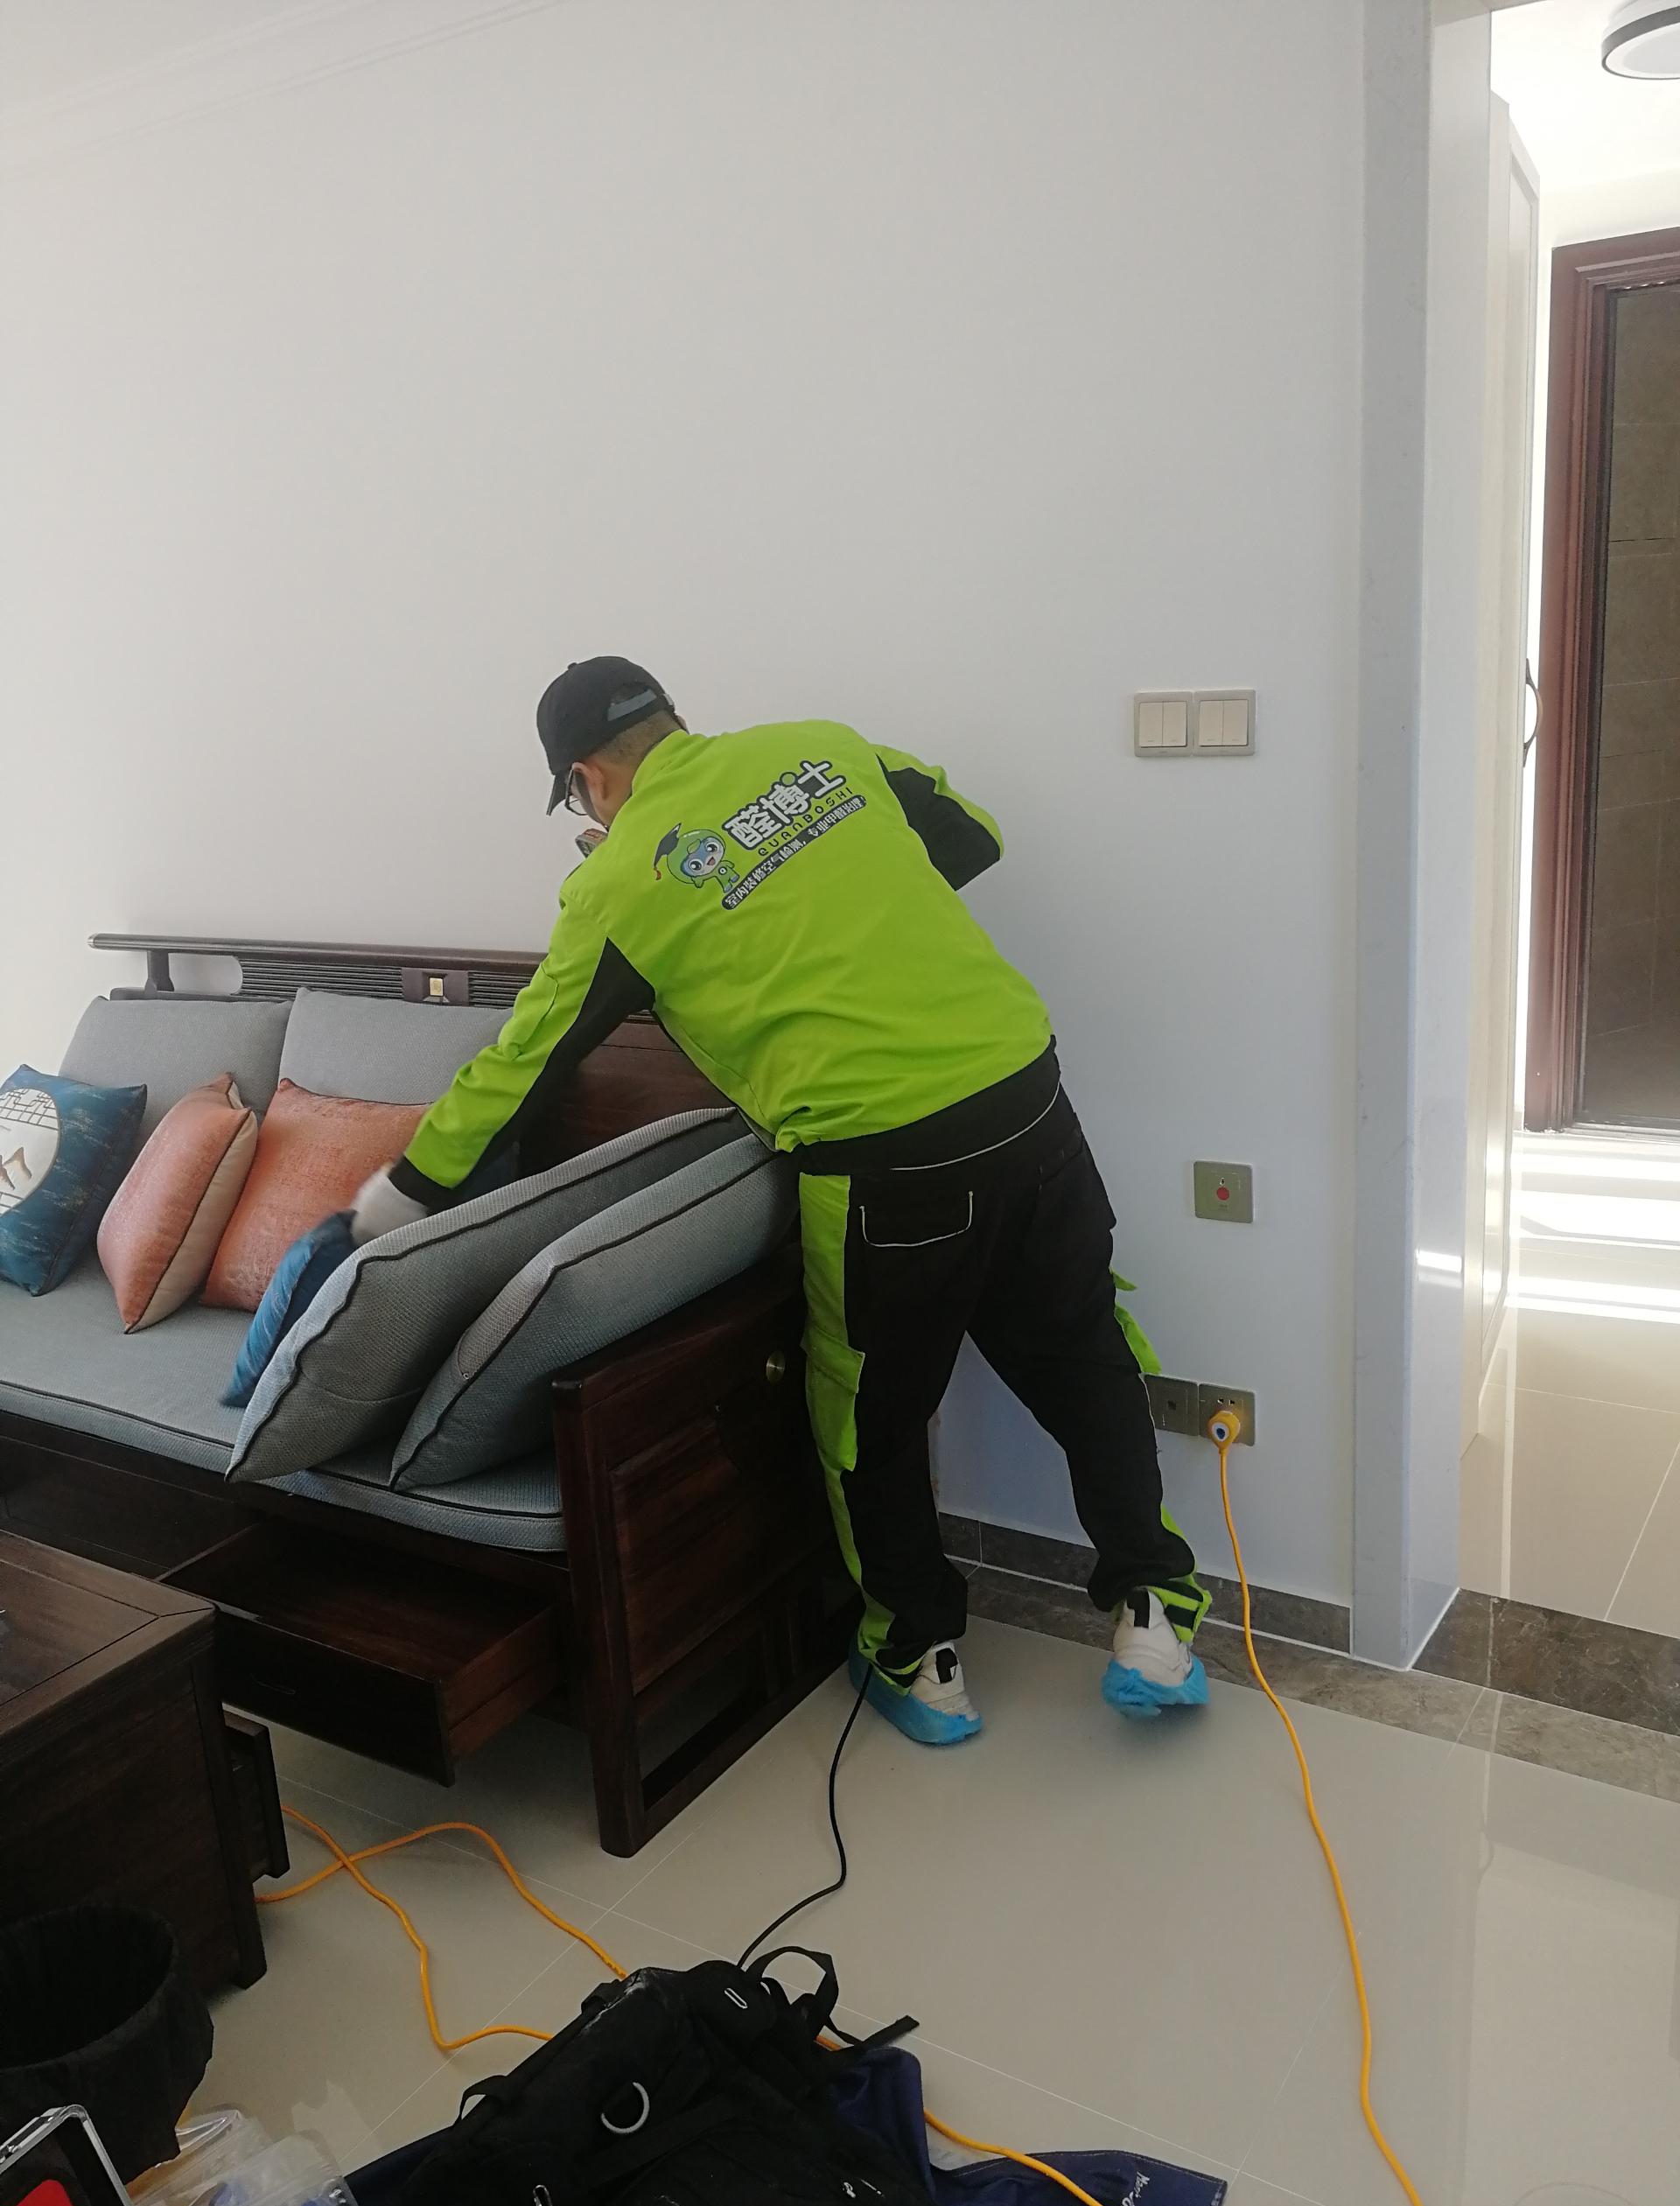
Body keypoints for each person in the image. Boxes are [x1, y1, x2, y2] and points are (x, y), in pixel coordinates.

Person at [351, 657, 1211, 1743]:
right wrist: (834, 904)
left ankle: (921, 1659)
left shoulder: (619, 886)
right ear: (672, 719)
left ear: (585, 780)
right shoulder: (822, 747)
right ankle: (1156, 1616)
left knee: (871, 1420)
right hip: (1027, 1100)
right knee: (1088, 1358)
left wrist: (402, 1194)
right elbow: (971, 834)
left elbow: (523, 1062)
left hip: (885, 1167)